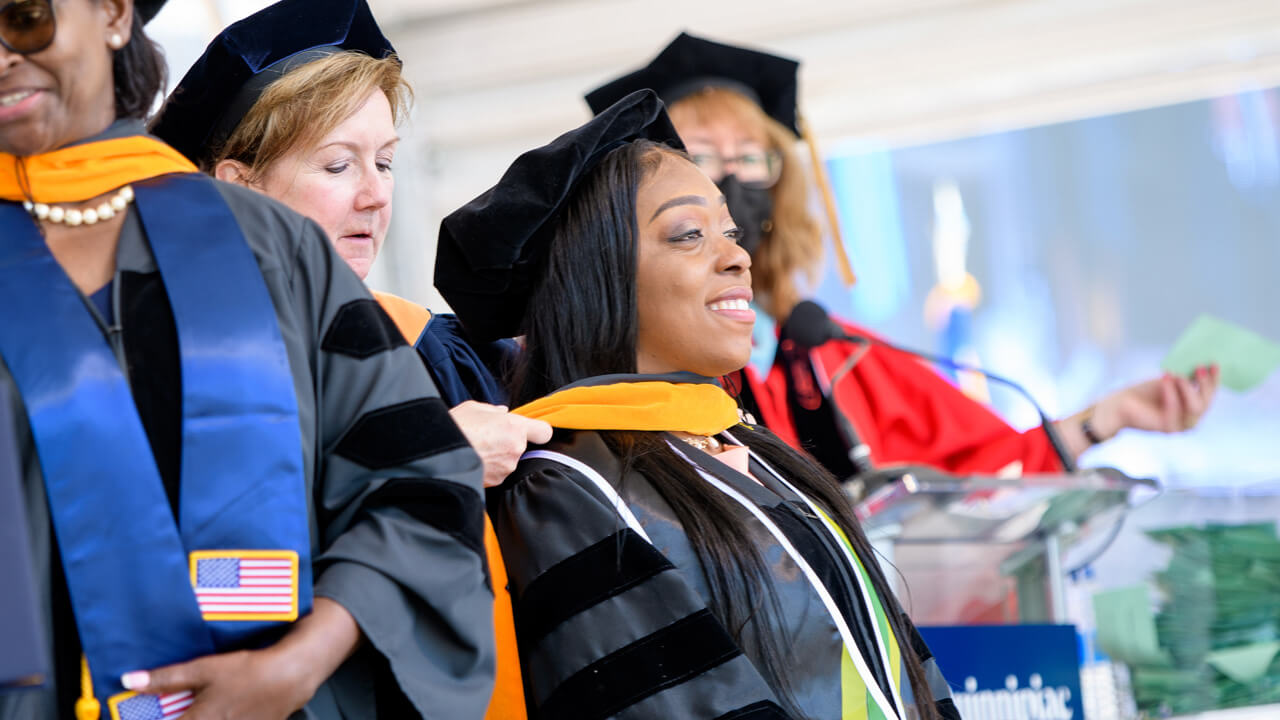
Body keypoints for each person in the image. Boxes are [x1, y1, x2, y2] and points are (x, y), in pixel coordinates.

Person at [0, 1, 493, 718]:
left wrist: (298, 663)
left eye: (24, 15)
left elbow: (418, 484)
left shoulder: (275, 250)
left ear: (111, 14)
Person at [437, 89, 960, 720]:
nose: (737, 256)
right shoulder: (564, 487)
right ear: (599, 279)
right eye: (689, 234)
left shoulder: (751, 448)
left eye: (730, 232)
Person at [586, 33, 1220, 481]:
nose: (731, 177)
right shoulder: (608, 362)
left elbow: (982, 468)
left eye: (751, 156)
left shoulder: (831, 355)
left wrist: (1108, 418)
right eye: (702, 154)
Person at [149, 2, 541, 717]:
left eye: (385, 161)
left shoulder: (430, 345)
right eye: (338, 164)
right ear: (237, 187)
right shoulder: (160, 355)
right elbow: (208, 574)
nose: (376, 193)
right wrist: (439, 460)